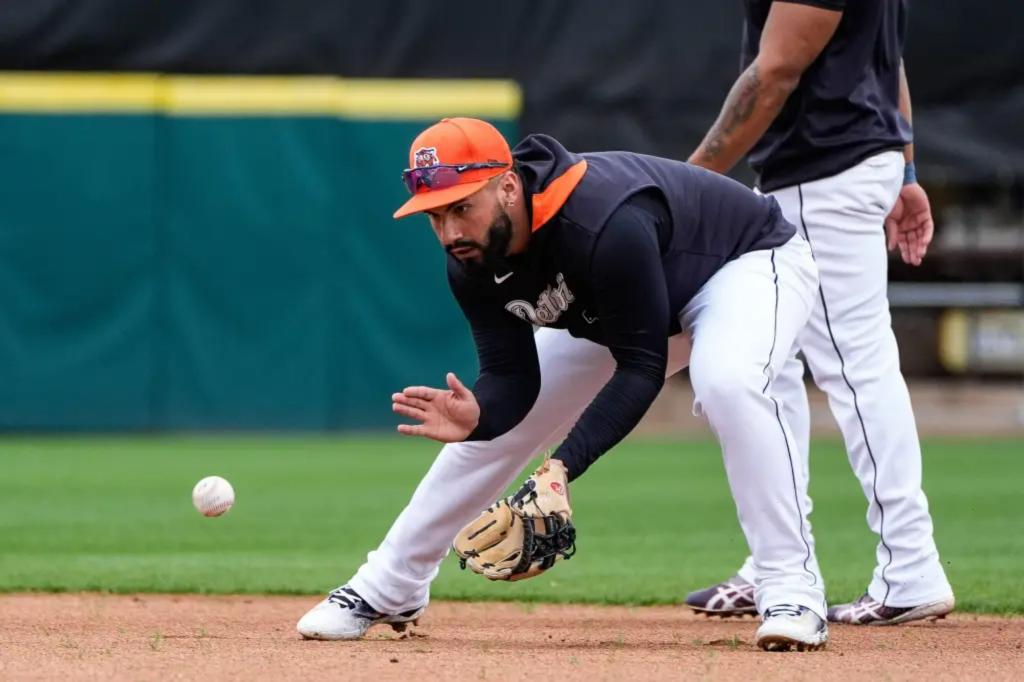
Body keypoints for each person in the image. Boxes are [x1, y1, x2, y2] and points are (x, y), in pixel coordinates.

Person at [297, 116, 828, 651]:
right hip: (629, 304)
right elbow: (511, 377)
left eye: (462, 208)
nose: (451, 231)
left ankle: (790, 587)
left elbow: (641, 365)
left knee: (728, 382)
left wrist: (561, 467)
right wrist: (481, 415)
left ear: (507, 186)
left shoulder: (602, 222)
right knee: (480, 436)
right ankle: (391, 586)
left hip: (746, 264)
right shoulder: (471, 261)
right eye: (435, 215)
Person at [682, 0, 954, 625]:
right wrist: (904, 166)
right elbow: (888, 62)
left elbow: (774, 72)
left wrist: (687, 185)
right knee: (767, 363)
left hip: (821, 171)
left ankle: (911, 567)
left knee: (856, 369)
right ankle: (778, 559)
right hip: (827, 166)